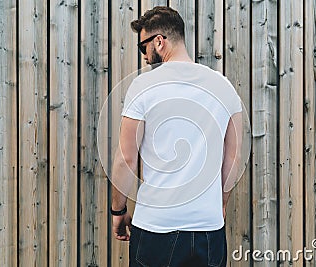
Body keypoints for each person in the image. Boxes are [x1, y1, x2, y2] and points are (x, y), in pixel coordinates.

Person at [110, 6, 243, 267]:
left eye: (143, 48)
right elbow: (233, 158)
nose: (145, 57)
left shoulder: (143, 86)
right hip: (209, 229)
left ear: (159, 41)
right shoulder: (223, 86)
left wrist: (119, 210)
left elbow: (126, 158)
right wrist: (220, 205)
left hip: (156, 229)